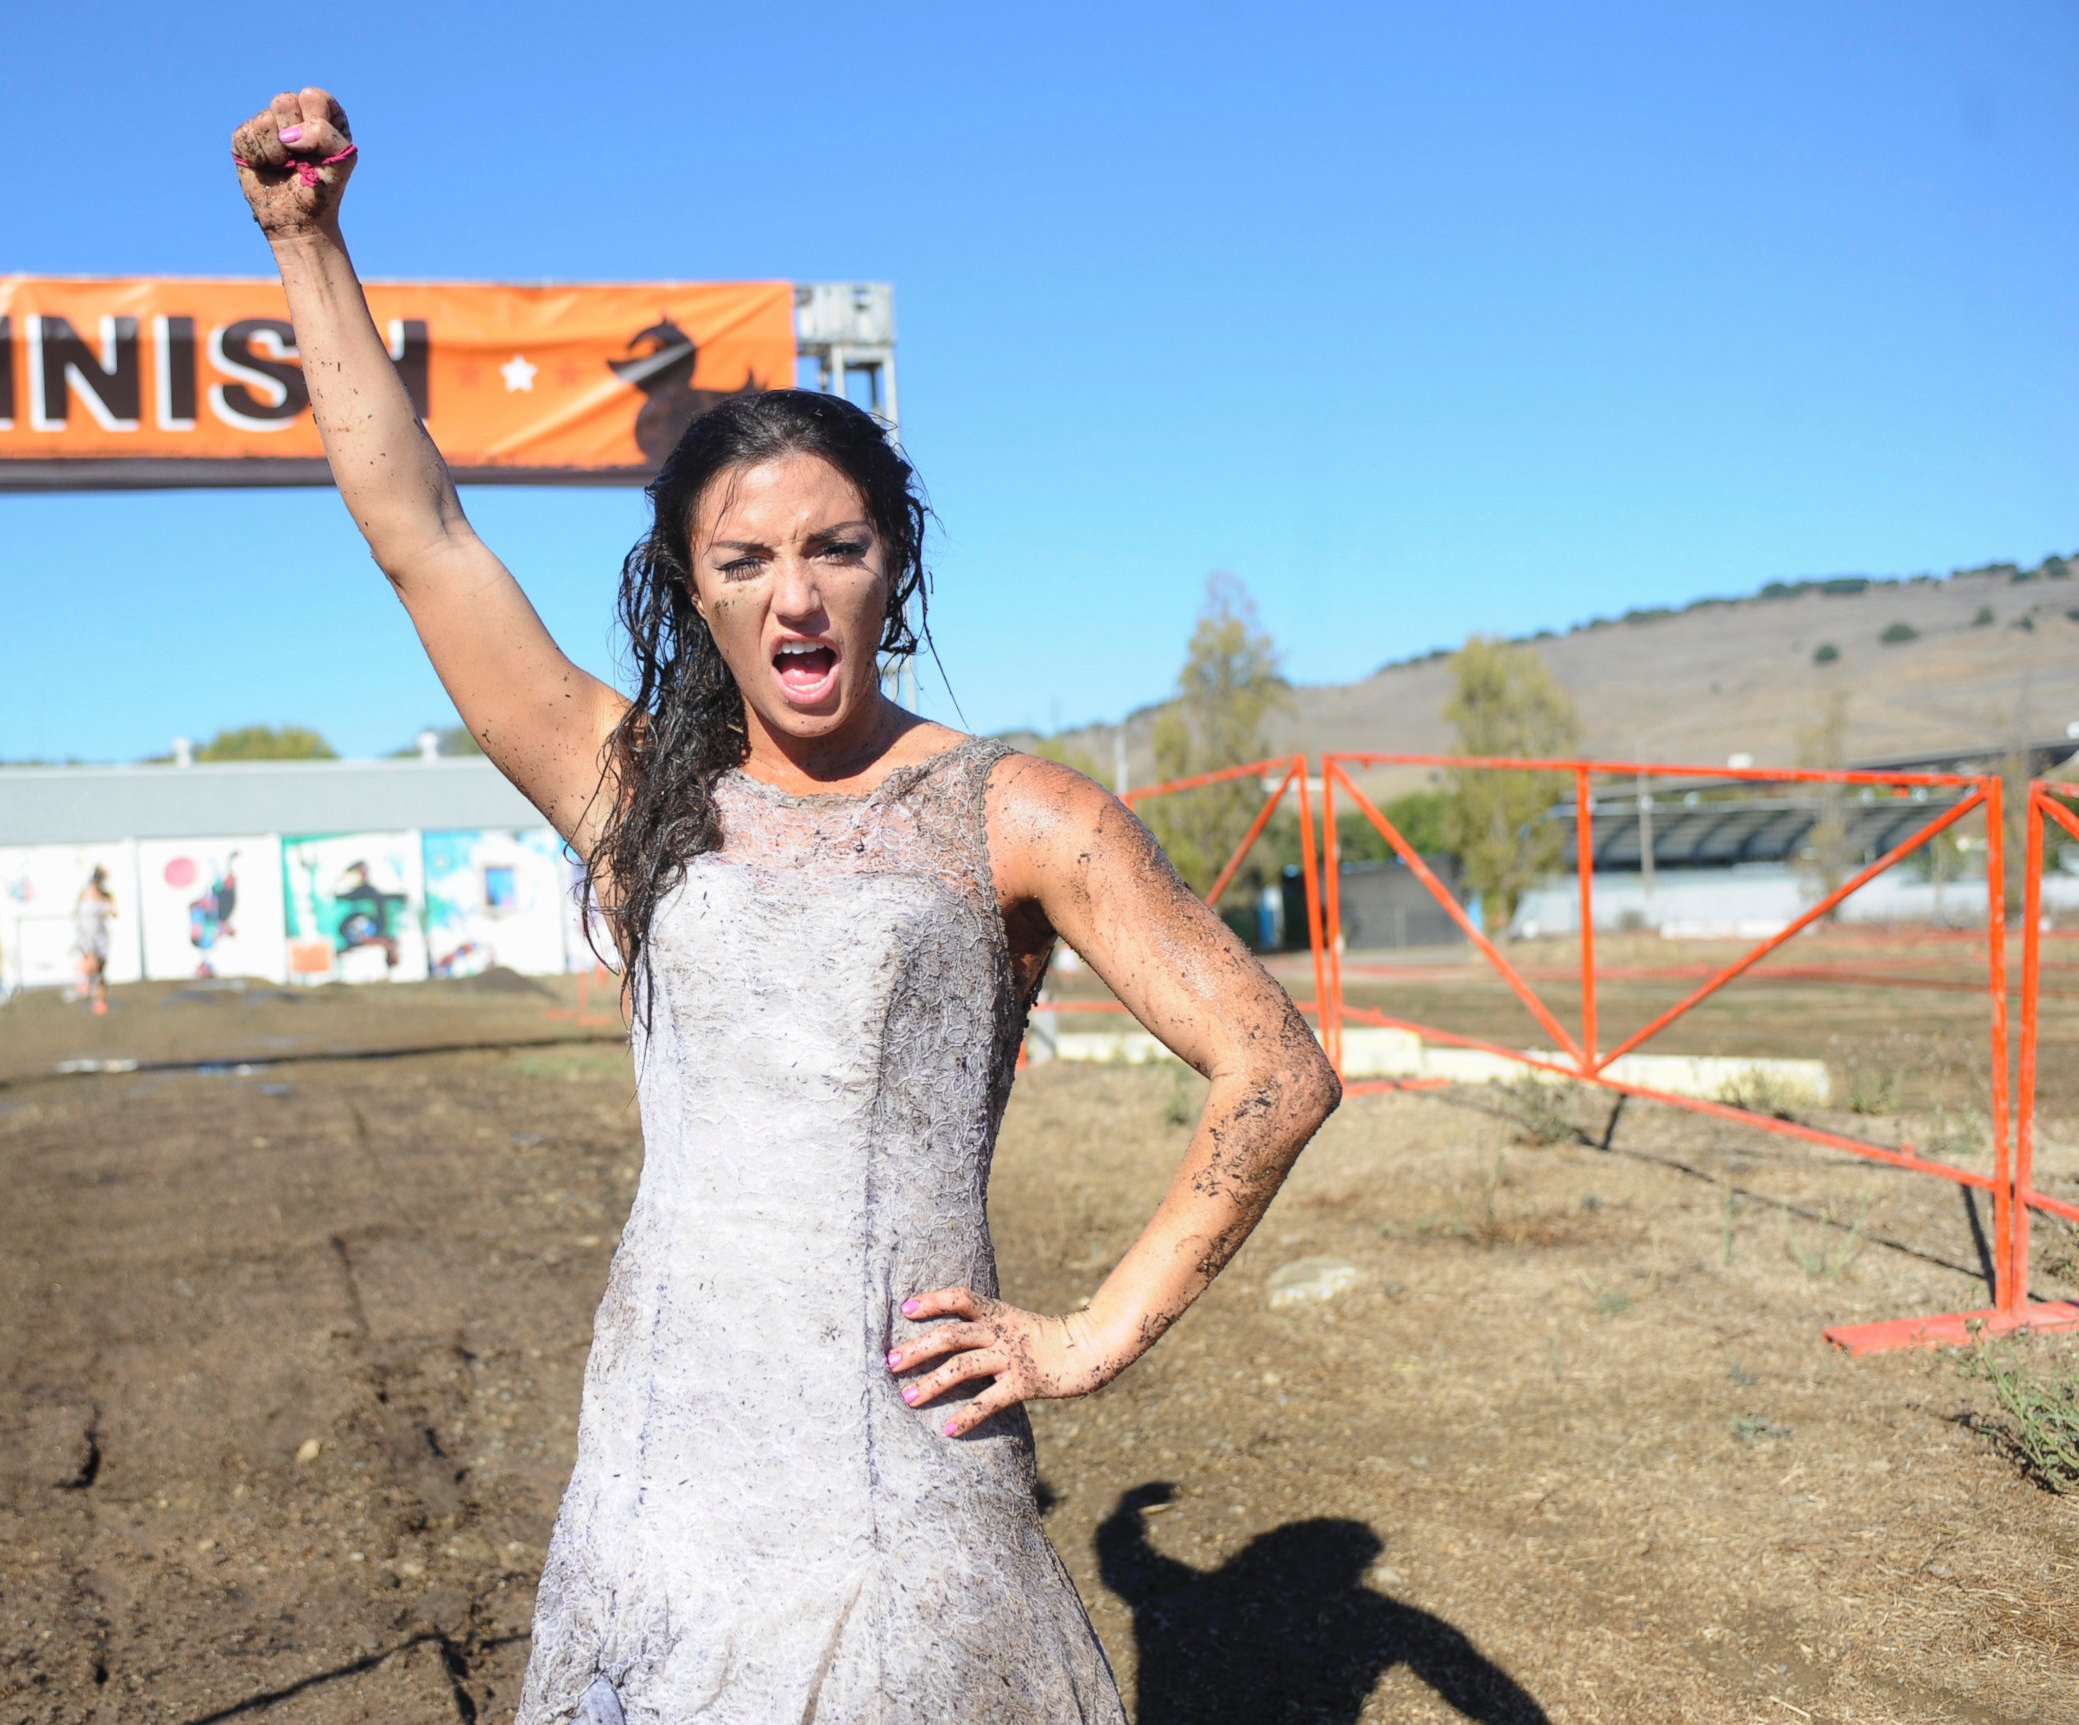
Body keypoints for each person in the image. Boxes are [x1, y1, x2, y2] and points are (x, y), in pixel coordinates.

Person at [233, 88, 1342, 1725]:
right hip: (663, 1464)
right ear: (693, 591)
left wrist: (1085, 1339)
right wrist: (306, 244)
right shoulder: (636, 795)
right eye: (744, 560)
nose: (794, 593)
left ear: (894, 562)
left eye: (833, 547)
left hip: (902, 1483)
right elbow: (424, 534)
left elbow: (1276, 1067)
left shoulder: (1014, 812)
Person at [72, 866, 115, 1015]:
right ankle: (83, 983)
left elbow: (114, 913)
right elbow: (76, 913)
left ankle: (99, 1001)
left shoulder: (106, 896)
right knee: (90, 962)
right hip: (87, 935)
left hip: (100, 937)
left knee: (100, 972)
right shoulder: (86, 893)